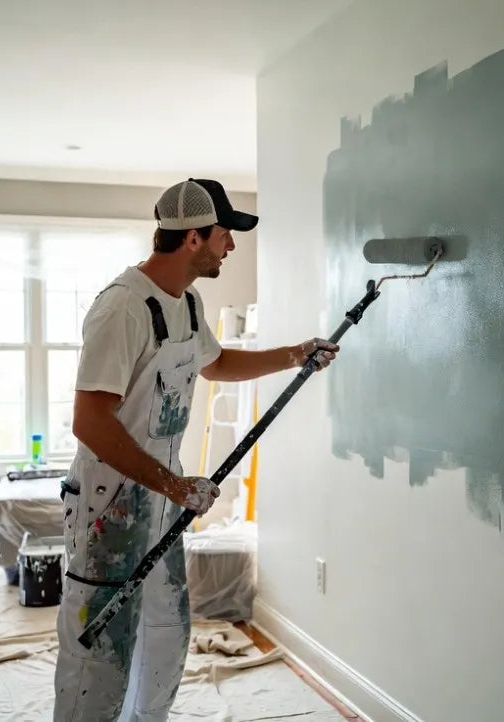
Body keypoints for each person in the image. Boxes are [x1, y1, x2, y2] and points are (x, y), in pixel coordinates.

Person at [53, 178, 339, 721]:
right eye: (225, 235)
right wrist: (174, 485)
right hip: (110, 504)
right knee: (103, 646)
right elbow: (89, 421)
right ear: (193, 237)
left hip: (164, 495)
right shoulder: (123, 309)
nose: (230, 247)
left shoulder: (185, 303)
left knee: (167, 628)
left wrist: (295, 354)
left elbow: (216, 363)